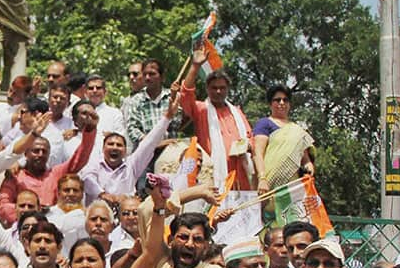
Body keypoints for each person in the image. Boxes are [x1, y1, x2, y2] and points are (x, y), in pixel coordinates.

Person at [0, 103, 97, 225]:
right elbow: (3, 206)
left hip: (53, 228)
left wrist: (90, 131)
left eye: (44, 151)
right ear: (26, 154)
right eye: (35, 151)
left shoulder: (56, 173)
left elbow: (79, 159)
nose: (40, 154)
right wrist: (30, 215)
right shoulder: (15, 175)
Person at [82, 91, 181, 206]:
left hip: (127, 218)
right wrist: (103, 195)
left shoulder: (131, 166)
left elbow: (148, 143)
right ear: (103, 148)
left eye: (119, 145)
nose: (115, 147)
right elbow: (88, 179)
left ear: (125, 151)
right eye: (110, 144)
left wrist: (167, 117)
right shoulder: (94, 163)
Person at [182, 48, 254, 190]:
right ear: (207, 89)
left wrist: (249, 145)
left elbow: (249, 136)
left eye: (222, 88)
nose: (218, 91)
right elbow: (185, 95)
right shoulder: (201, 109)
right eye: (214, 88)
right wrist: (195, 66)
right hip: (213, 175)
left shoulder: (237, 112)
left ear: (228, 89)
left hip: (240, 174)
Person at [252, 84, 315, 195]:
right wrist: (262, 178)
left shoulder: (297, 130)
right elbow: (257, 153)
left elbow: (305, 159)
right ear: (270, 103)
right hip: (267, 187)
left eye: (285, 100)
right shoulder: (264, 124)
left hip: (292, 188)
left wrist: (309, 169)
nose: (282, 103)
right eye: (277, 100)